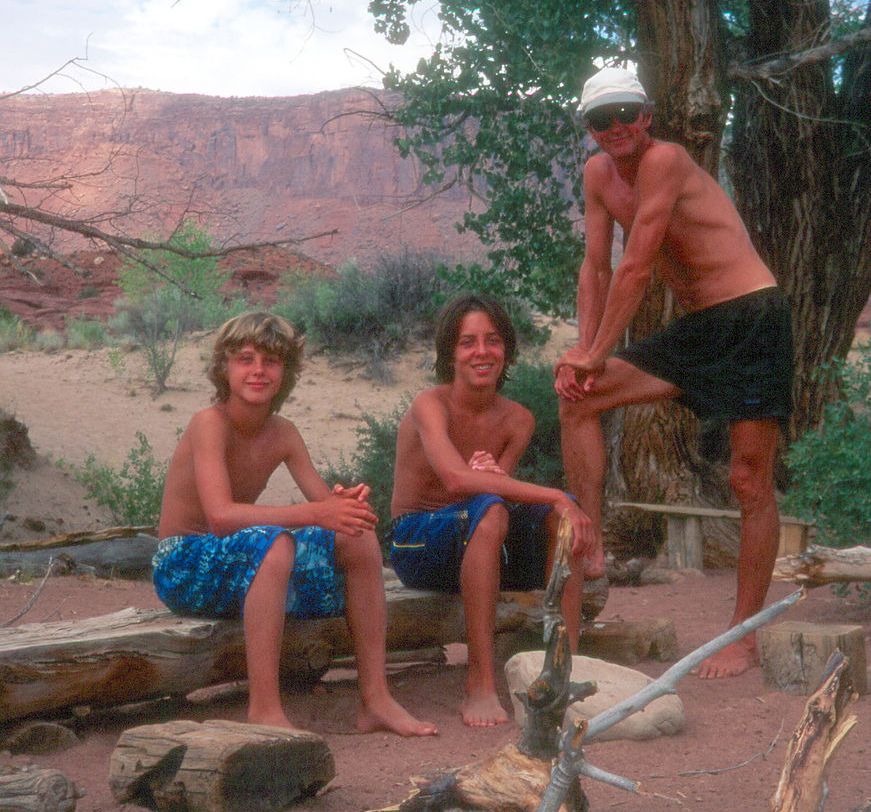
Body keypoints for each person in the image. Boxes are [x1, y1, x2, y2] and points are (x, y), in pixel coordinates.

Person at [554, 67, 793, 679]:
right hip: (699, 326)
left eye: (626, 113)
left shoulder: (668, 161)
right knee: (579, 401)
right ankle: (595, 538)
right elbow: (596, 269)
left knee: (748, 480)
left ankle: (743, 637)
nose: (616, 128)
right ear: (589, 128)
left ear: (648, 114)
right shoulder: (597, 175)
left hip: (751, 316)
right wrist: (586, 355)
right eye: (600, 120)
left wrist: (596, 353)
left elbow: (635, 267)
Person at [152, 311, 437, 737]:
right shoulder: (209, 424)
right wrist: (316, 514)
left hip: (245, 566)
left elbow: (326, 508)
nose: (258, 371)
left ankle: (375, 699)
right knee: (276, 543)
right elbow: (221, 516)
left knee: (355, 539)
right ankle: (264, 710)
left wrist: (347, 506)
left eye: (271, 361)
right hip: (183, 566)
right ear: (224, 368)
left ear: (285, 372)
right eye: (245, 359)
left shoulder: (283, 432)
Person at [389, 292, 595, 727]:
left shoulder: (518, 419)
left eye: (493, 340)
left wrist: (512, 486)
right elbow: (457, 481)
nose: (482, 352)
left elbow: (493, 492)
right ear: (450, 354)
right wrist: (553, 493)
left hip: (480, 535)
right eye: (468, 342)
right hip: (417, 542)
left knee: (560, 519)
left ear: (507, 350)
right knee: (519, 507)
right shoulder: (431, 404)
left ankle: (569, 668)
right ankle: (479, 684)